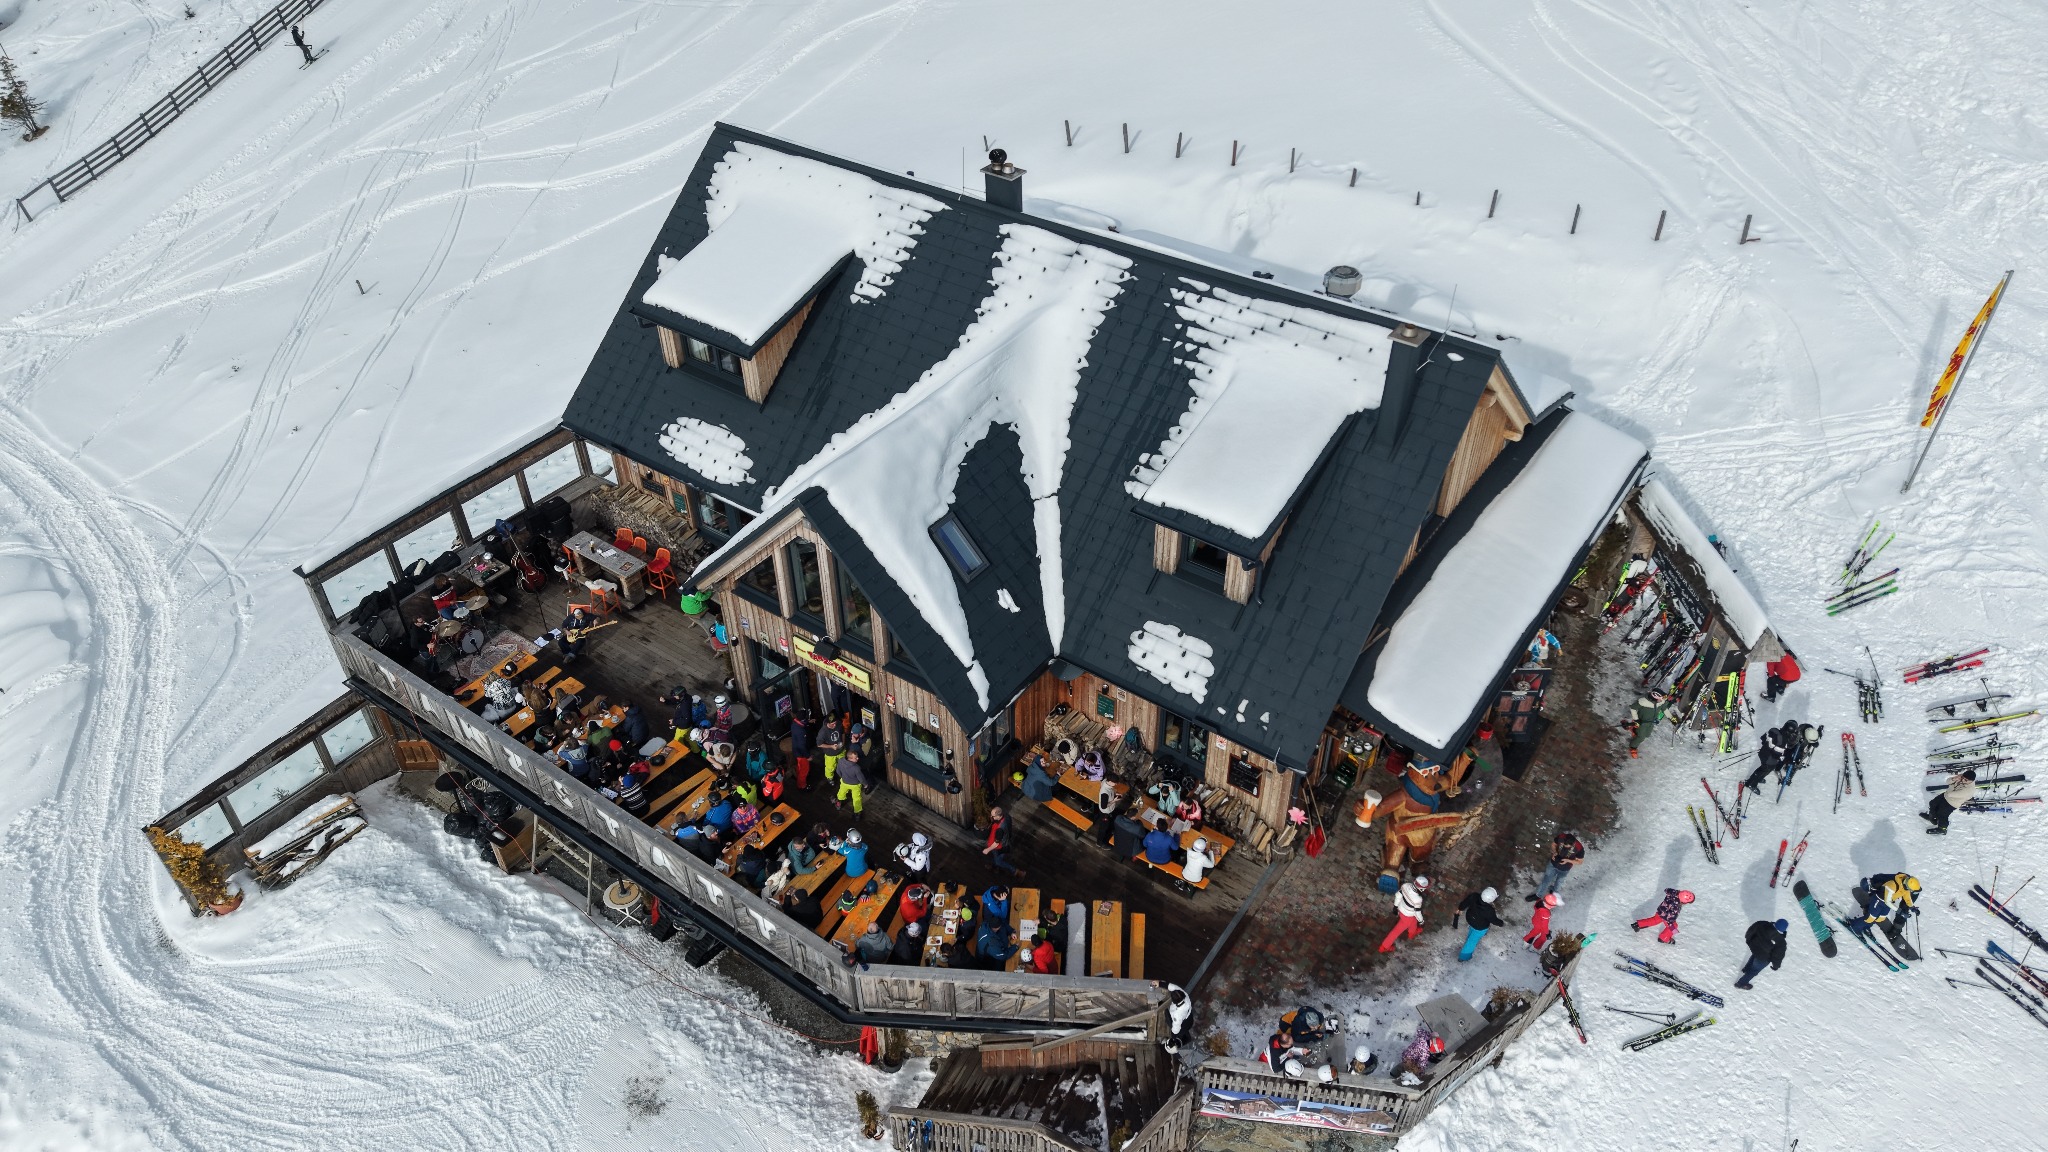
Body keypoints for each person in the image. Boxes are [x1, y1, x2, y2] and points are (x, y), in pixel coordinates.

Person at [1528, 831, 1585, 901]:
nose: (1565, 847)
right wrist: (1554, 852)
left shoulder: (1579, 848)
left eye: (1567, 846)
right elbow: (1553, 844)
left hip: (1565, 868)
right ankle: (1538, 895)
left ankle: (1554, 894)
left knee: (1559, 882)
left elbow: (1580, 862)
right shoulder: (1561, 837)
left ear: (1572, 844)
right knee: (1546, 879)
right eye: (1564, 845)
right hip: (1553, 864)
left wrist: (1568, 861)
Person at [1378, 876, 1430, 952]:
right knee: (1396, 931)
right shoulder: (1418, 899)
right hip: (1408, 916)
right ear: (1421, 889)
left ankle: (1411, 933)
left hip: (1401, 908)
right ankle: (1384, 946)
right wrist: (1421, 922)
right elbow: (1417, 912)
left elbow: (1398, 895)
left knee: (1414, 920)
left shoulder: (1406, 885)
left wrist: (1395, 906)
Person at [1453, 887, 1503, 962]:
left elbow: (1464, 904)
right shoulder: (1489, 910)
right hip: (1480, 926)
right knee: (1472, 941)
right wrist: (1501, 923)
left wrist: (1460, 909)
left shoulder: (1474, 896)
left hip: (1470, 918)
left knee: (1472, 929)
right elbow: (1494, 920)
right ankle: (1463, 956)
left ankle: (1470, 935)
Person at [1737, 918, 1788, 989]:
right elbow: (1778, 956)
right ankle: (1741, 983)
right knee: (1754, 970)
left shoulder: (1763, 924)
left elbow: (1751, 930)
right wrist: (1776, 966)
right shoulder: (1781, 942)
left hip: (1755, 948)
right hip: (1763, 958)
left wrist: (1749, 941)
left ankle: (1746, 969)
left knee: (1754, 956)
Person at [1923, 769, 1978, 835]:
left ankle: (1942, 829)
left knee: (1942, 814)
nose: (1963, 780)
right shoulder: (1961, 778)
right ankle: (1932, 818)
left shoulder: (1969, 790)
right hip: (1945, 795)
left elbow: (1951, 794)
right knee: (1932, 803)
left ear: (1971, 781)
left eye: (1966, 780)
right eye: (1962, 777)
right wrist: (1954, 779)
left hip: (1952, 803)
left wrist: (1952, 785)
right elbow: (1948, 781)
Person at [1744, 722, 1794, 792]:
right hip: (1769, 759)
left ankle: (1757, 778)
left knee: (1763, 768)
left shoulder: (1774, 730)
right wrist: (1786, 759)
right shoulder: (1782, 741)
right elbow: (1777, 755)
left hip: (1763, 752)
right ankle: (1751, 784)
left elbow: (1763, 738)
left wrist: (1767, 747)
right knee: (1765, 770)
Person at [983, 806, 1024, 877]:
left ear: (999, 816)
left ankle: (1017, 872)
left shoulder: (1000, 829)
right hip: (1005, 839)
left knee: (999, 861)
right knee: (996, 857)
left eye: (993, 816)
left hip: (1000, 846)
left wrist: (987, 849)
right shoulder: (1006, 816)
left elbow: (996, 843)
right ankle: (995, 866)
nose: (991, 817)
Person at [835, 747, 869, 814]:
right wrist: (866, 785)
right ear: (850, 758)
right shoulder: (856, 768)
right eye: (855, 758)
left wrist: (843, 777)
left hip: (844, 782)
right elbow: (861, 779)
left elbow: (838, 771)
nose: (857, 758)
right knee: (857, 798)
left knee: (841, 793)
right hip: (855, 785)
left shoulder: (841, 760)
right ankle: (857, 813)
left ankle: (838, 804)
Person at [788, 711, 815, 790]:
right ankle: (802, 786)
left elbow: (801, 721)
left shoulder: (794, 724)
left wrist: (808, 721)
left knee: (800, 768)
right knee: (804, 771)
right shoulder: (801, 731)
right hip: (801, 754)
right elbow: (802, 746)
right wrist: (808, 757)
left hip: (797, 751)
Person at [817, 719, 845, 783]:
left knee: (843, 765)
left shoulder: (838, 724)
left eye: (835, 723)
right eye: (832, 724)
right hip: (830, 754)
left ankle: (843, 775)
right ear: (827, 723)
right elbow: (819, 744)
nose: (835, 725)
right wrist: (831, 746)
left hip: (841, 751)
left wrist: (843, 742)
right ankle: (829, 778)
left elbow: (842, 732)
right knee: (830, 767)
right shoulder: (823, 732)